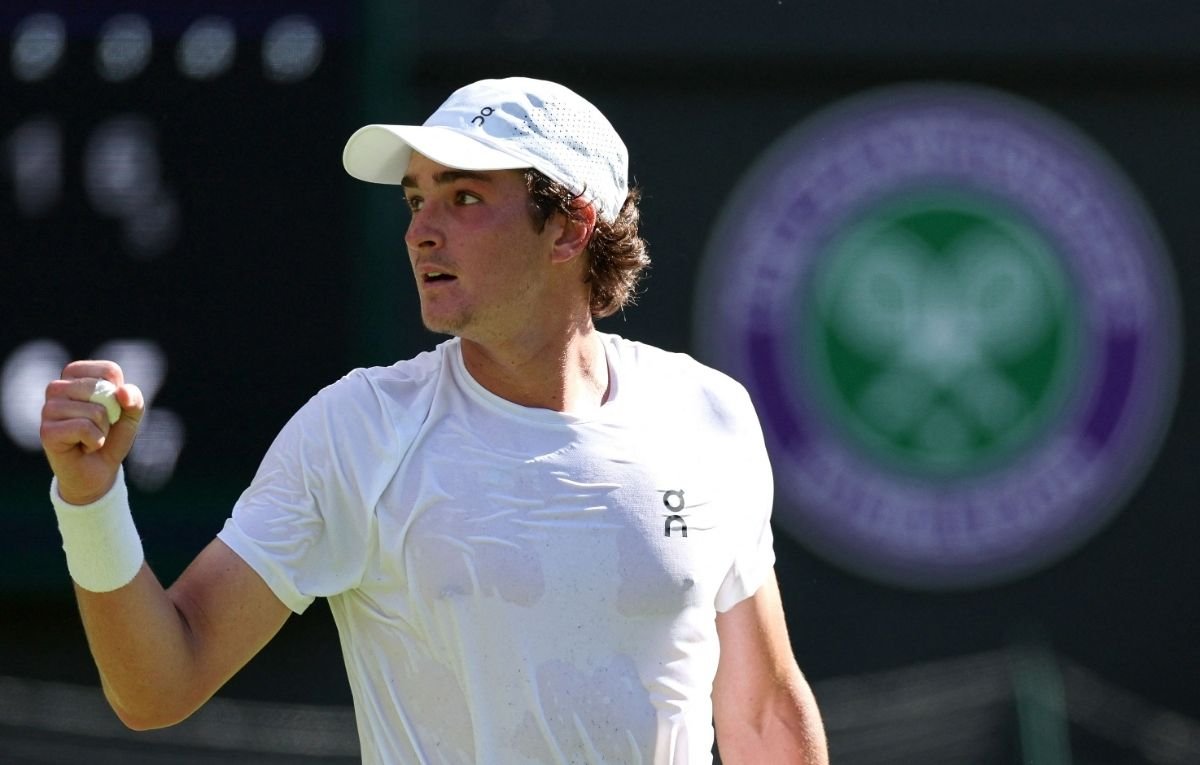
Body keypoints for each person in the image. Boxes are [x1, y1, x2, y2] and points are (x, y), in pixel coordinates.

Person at [40, 76, 828, 764]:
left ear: (569, 226)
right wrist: (90, 499)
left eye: (465, 197)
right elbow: (157, 687)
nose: (421, 228)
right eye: (417, 198)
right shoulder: (356, 430)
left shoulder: (708, 413)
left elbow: (760, 714)